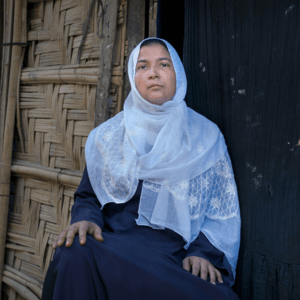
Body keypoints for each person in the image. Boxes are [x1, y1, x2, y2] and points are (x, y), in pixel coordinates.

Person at [42, 38, 241, 300]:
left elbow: (222, 211)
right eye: (143, 66)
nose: (153, 73)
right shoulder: (110, 136)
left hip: (174, 261)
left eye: (164, 64)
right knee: (73, 253)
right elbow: (88, 196)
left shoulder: (206, 137)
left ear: (178, 73)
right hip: (114, 249)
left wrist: (203, 253)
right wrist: (86, 219)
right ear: (133, 78)